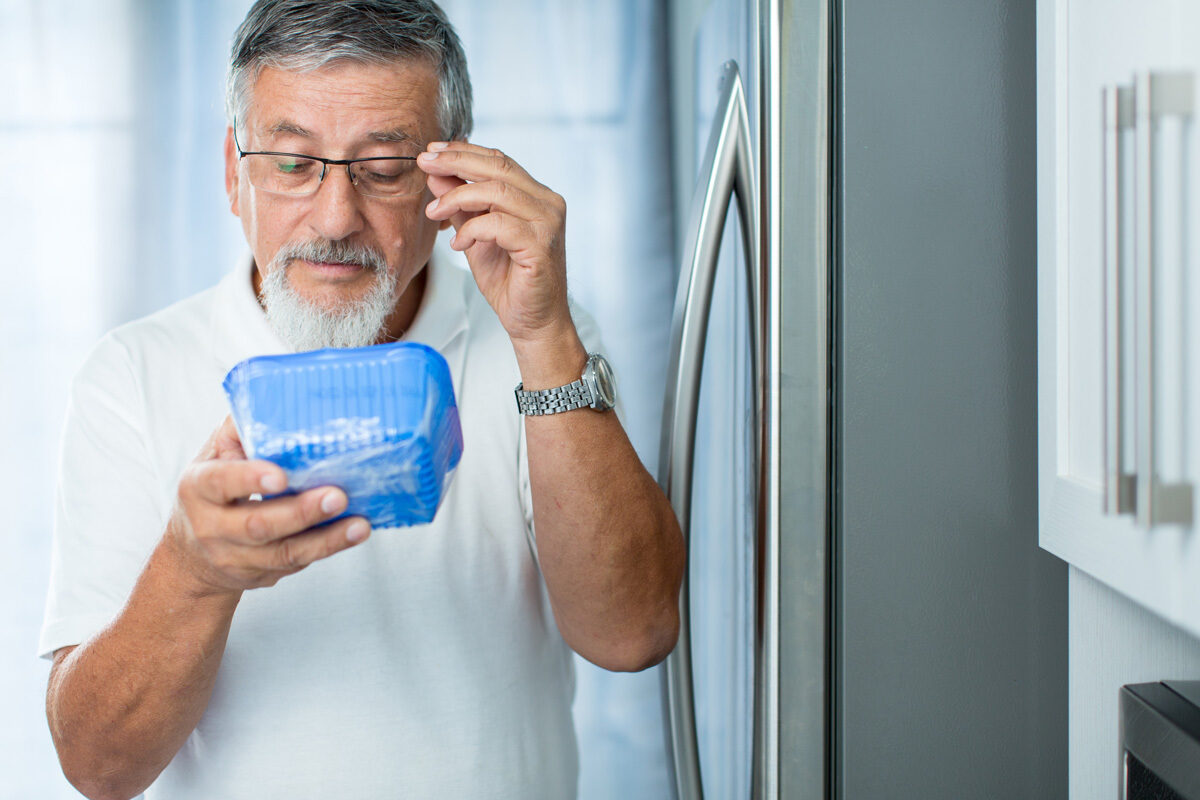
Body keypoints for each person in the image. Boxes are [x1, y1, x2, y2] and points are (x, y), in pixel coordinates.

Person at [39, 2, 684, 798]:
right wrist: (193, 572)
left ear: (449, 182)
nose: (337, 217)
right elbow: (98, 768)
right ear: (232, 175)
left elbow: (635, 633)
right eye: (291, 162)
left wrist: (545, 336)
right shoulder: (132, 375)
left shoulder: (538, 337)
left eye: (384, 169)